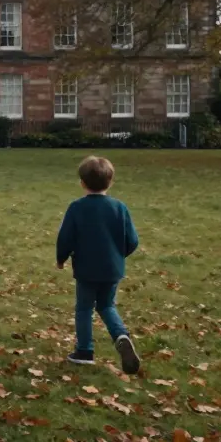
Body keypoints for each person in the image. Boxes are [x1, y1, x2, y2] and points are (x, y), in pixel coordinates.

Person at [56, 155, 141, 374]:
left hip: (86, 269)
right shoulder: (119, 208)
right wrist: (118, 255)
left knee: (84, 308)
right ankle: (121, 335)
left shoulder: (76, 208)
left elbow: (66, 237)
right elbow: (132, 240)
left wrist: (61, 258)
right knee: (106, 305)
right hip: (112, 268)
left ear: (82, 183)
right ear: (110, 182)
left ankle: (84, 351)